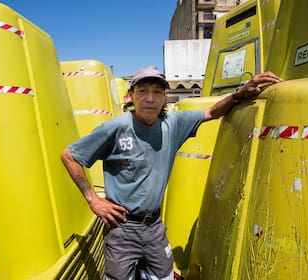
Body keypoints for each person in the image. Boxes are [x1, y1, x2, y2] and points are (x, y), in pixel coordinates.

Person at [61, 66, 282, 280]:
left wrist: (239, 94)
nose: (150, 98)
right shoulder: (115, 128)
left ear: (164, 97)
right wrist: (93, 200)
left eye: (157, 92)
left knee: (164, 276)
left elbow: (211, 112)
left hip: (154, 227)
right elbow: (70, 156)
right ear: (131, 96)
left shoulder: (173, 124)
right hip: (122, 228)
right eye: (143, 91)